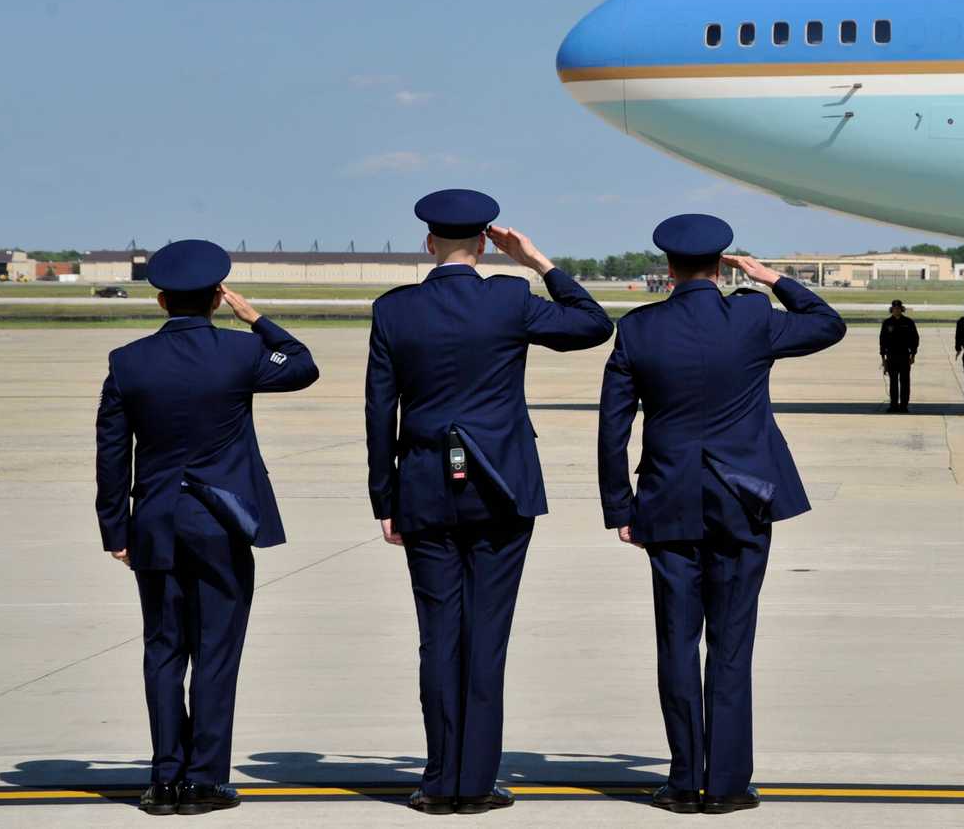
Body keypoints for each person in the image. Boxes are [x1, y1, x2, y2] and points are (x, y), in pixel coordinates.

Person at [366, 189, 612, 815]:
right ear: (483, 243)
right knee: (487, 636)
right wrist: (537, 262)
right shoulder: (509, 298)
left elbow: (378, 410)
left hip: (422, 484)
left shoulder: (393, 311)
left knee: (437, 635)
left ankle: (439, 778)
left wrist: (383, 496)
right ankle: (474, 782)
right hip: (501, 486)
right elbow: (593, 324)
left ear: (429, 243)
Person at [598, 214, 846, 815]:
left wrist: (620, 508)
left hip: (668, 502)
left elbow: (613, 426)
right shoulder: (753, 317)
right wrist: (771, 278)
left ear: (667, 269)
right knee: (732, 644)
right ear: (722, 264)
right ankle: (728, 783)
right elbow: (828, 325)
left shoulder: (638, 329)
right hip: (743, 498)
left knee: (677, 645)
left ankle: (684, 781)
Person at [94, 239, 319, 816]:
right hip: (220, 521)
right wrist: (257, 319)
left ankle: (164, 778)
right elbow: (302, 366)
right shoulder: (238, 354)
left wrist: (115, 527)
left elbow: (112, 454)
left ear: (162, 300)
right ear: (218, 298)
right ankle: (204, 780)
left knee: (164, 651)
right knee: (216, 651)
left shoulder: (128, 361)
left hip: (157, 521)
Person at [878, 299, 919, 413]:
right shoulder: (887, 323)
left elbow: (915, 339)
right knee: (893, 382)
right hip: (891, 356)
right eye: (895, 309)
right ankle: (894, 405)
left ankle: (904, 405)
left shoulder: (908, 322)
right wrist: (883, 358)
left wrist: (913, 355)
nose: (897, 310)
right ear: (892, 310)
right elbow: (882, 341)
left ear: (902, 309)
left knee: (905, 382)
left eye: (899, 309)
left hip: (904, 356)